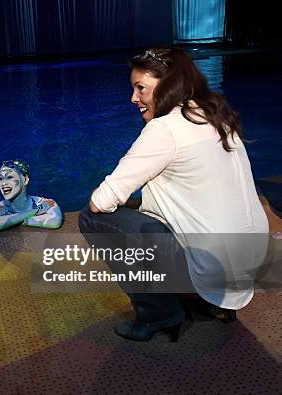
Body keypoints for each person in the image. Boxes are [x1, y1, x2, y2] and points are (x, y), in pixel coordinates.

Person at [79, 48, 269, 342]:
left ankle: (158, 313)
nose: (133, 98)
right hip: (249, 258)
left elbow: (101, 201)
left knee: (91, 219)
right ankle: (214, 303)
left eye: (140, 87)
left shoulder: (164, 129)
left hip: (213, 265)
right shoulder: (216, 115)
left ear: (168, 84)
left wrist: (109, 197)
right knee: (143, 208)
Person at [0, 160, 63, 232]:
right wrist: (35, 211)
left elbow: (55, 221)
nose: (3, 183)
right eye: (0, 178)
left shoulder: (45, 202)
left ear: (25, 180)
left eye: (9, 177)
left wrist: (11, 219)